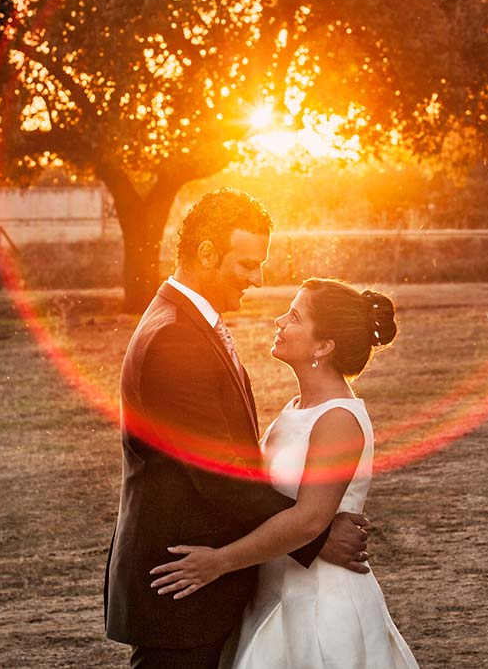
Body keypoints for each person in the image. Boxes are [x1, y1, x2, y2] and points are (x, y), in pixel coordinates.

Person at [104, 189, 370, 669]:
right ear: (207, 253)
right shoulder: (175, 339)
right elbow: (220, 473)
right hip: (182, 578)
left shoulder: (188, 324)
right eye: (247, 264)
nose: (258, 278)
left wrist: (308, 524)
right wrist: (316, 532)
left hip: (211, 580)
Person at [149, 277, 420, 669]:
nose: (279, 321)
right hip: (271, 594)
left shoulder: (339, 419)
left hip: (318, 607)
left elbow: (309, 519)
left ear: (323, 346)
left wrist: (219, 561)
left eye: (294, 316)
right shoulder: (296, 408)